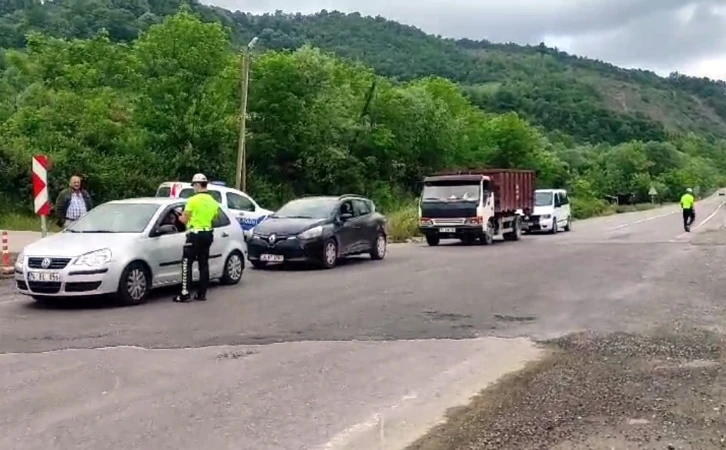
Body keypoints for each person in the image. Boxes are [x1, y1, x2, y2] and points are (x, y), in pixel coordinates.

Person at [174, 173, 219, 303]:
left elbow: (184, 219)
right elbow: (214, 218)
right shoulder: (213, 202)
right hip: (208, 234)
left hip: (195, 234)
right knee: (203, 264)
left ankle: (184, 294)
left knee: (186, 263)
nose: (193, 187)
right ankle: (201, 294)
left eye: (194, 185)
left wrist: (178, 216)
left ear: (198, 185)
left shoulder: (192, 200)